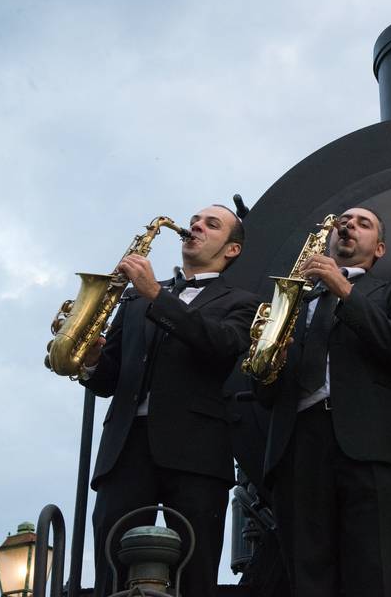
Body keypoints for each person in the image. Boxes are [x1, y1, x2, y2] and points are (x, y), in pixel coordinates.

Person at [81, 204, 260, 597]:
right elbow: (108, 380)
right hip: (125, 448)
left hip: (197, 453)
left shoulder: (244, 302)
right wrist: (92, 361)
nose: (195, 226)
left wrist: (156, 296)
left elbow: (219, 347)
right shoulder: (134, 299)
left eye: (211, 225)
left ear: (232, 250)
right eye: (195, 220)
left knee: (194, 576)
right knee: (111, 570)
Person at [257, 206, 391, 597]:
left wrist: (343, 289)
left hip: (369, 446)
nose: (349, 225)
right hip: (298, 444)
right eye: (344, 221)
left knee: (379, 571)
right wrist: (269, 364)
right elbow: (263, 395)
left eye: (363, 224)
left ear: (378, 249)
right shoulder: (293, 300)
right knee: (307, 574)